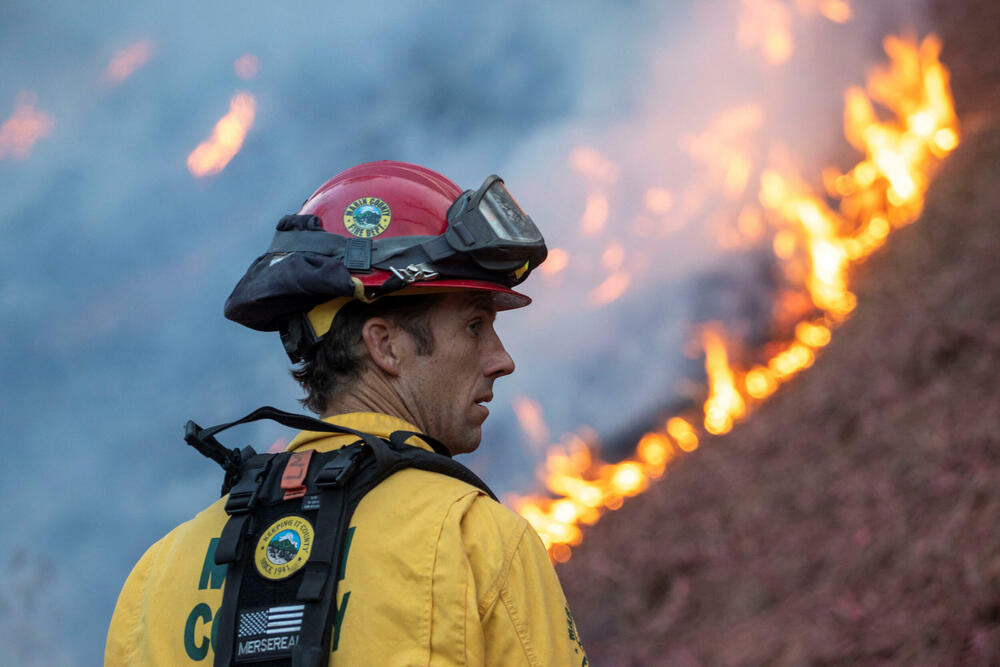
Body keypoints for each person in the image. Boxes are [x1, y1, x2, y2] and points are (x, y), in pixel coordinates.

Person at [106, 161, 589, 666]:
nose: (501, 359)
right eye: (473, 326)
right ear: (384, 345)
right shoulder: (478, 542)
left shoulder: (154, 582)